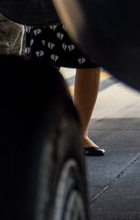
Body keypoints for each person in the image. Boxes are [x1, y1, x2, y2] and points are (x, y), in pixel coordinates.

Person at [24, 24, 105, 156]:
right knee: (43, 57)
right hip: (47, 6)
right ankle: (34, 132)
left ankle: (80, 134)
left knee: (90, 57)